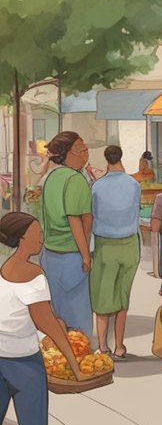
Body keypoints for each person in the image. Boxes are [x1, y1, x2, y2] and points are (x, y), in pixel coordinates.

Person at [1, 212, 86, 425]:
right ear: (22, 239)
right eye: (37, 234)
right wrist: (74, 364)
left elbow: (15, 314)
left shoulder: (4, 267)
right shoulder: (33, 274)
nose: (41, 239)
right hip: (25, 364)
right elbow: (47, 322)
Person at [37, 131, 94, 339]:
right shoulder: (75, 179)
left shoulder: (50, 177)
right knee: (78, 318)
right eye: (80, 150)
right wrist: (85, 254)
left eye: (85, 149)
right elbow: (76, 220)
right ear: (66, 154)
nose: (85, 154)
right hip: (72, 254)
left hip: (49, 255)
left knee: (57, 313)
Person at [90, 146, 142, 357]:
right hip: (130, 244)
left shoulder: (97, 187)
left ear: (106, 159)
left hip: (105, 244)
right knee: (123, 297)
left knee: (103, 297)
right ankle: (120, 346)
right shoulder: (134, 184)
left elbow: (92, 215)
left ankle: (103, 346)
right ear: (121, 157)